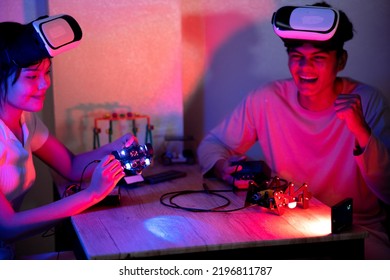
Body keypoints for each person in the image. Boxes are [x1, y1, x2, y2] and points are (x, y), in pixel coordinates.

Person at [197, 2, 390, 259]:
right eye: (296, 56)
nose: (304, 68)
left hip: (360, 230)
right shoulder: (267, 99)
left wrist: (361, 132)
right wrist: (224, 168)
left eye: (318, 58)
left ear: (341, 61)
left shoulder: (368, 101)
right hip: (288, 225)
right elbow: (211, 144)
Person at [0, 16, 135, 259]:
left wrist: (115, 149)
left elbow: (71, 166)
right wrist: (92, 194)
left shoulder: (24, 119)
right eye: (32, 77)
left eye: (47, 72)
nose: (44, 84)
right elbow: (7, 227)